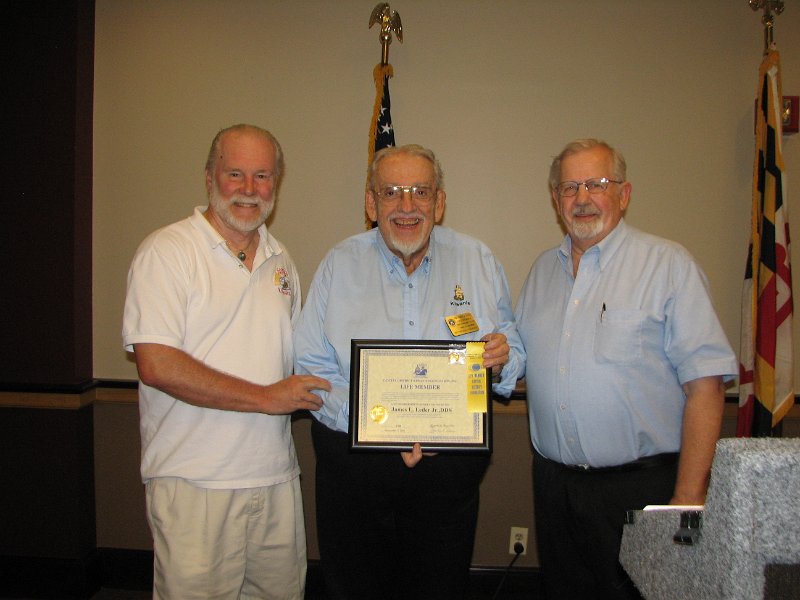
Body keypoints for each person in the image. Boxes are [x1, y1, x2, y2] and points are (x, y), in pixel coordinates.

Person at [293, 144, 525, 600]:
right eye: (392, 191)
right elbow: (311, 366)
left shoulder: (478, 260)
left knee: (439, 588)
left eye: (420, 191)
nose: (406, 206)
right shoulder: (339, 264)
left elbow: (511, 347)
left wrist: (503, 357)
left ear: (439, 203)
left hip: (448, 478)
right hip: (355, 471)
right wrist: (382, 430)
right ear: (370, 202)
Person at [514, 138, 737, 600]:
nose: (581, 198)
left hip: (641, 489)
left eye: (596, 184)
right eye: (569, 187)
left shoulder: (668, 266)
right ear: (556, 200)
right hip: (556, 488)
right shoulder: (541, 273)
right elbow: (521, 365)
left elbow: (707, 386)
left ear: (624, 193)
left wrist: (688, 499)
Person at [122, 124, 330, 600]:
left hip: (275, 477)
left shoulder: (282, 262)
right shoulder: (168, 251)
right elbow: (156, 363)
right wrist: (265, 397)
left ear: (276, 184)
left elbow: (301, 354)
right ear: (209, 177)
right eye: (235, 173)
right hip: (195, 482)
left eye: (262, 176)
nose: (249, 189)